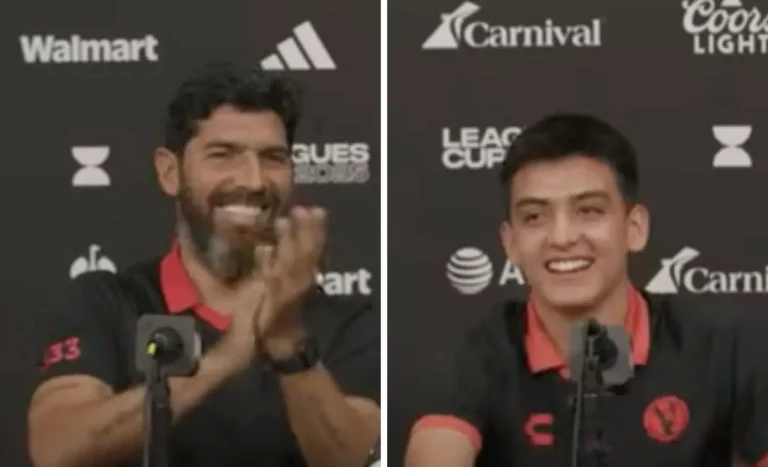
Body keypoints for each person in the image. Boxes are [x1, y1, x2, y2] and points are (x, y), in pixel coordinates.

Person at [27, 61, 380, 467]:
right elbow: (57, 448)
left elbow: (359, 459)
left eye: (272, 158)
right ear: (170, 172)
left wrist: (287, 345)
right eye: (223, 155)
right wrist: (226, 358)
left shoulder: (342, 323)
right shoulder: (108, 303)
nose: (252, 180)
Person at [403, 113, 768, 467]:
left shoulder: (722, 349)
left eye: (589, 211)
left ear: (635, 228)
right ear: (511, 243)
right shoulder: (473, 361)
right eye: (535, 217)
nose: (562, 237)